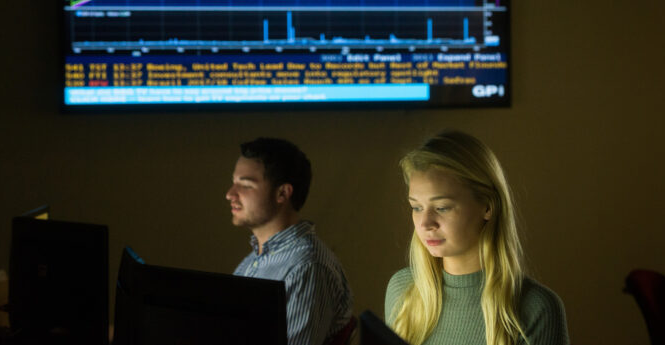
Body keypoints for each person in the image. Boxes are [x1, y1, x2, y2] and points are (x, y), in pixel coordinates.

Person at [385, 130, 569, 345]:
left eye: (442, 207)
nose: (425, 224)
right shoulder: (403, 290)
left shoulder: (536, 309)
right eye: (416, 207)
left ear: (487, 207)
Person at [227, 137, 353, 345]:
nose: (230, 194)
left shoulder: (307, 267)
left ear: (282, 193)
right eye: (234, 183)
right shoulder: (254, 260)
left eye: (246, 185)